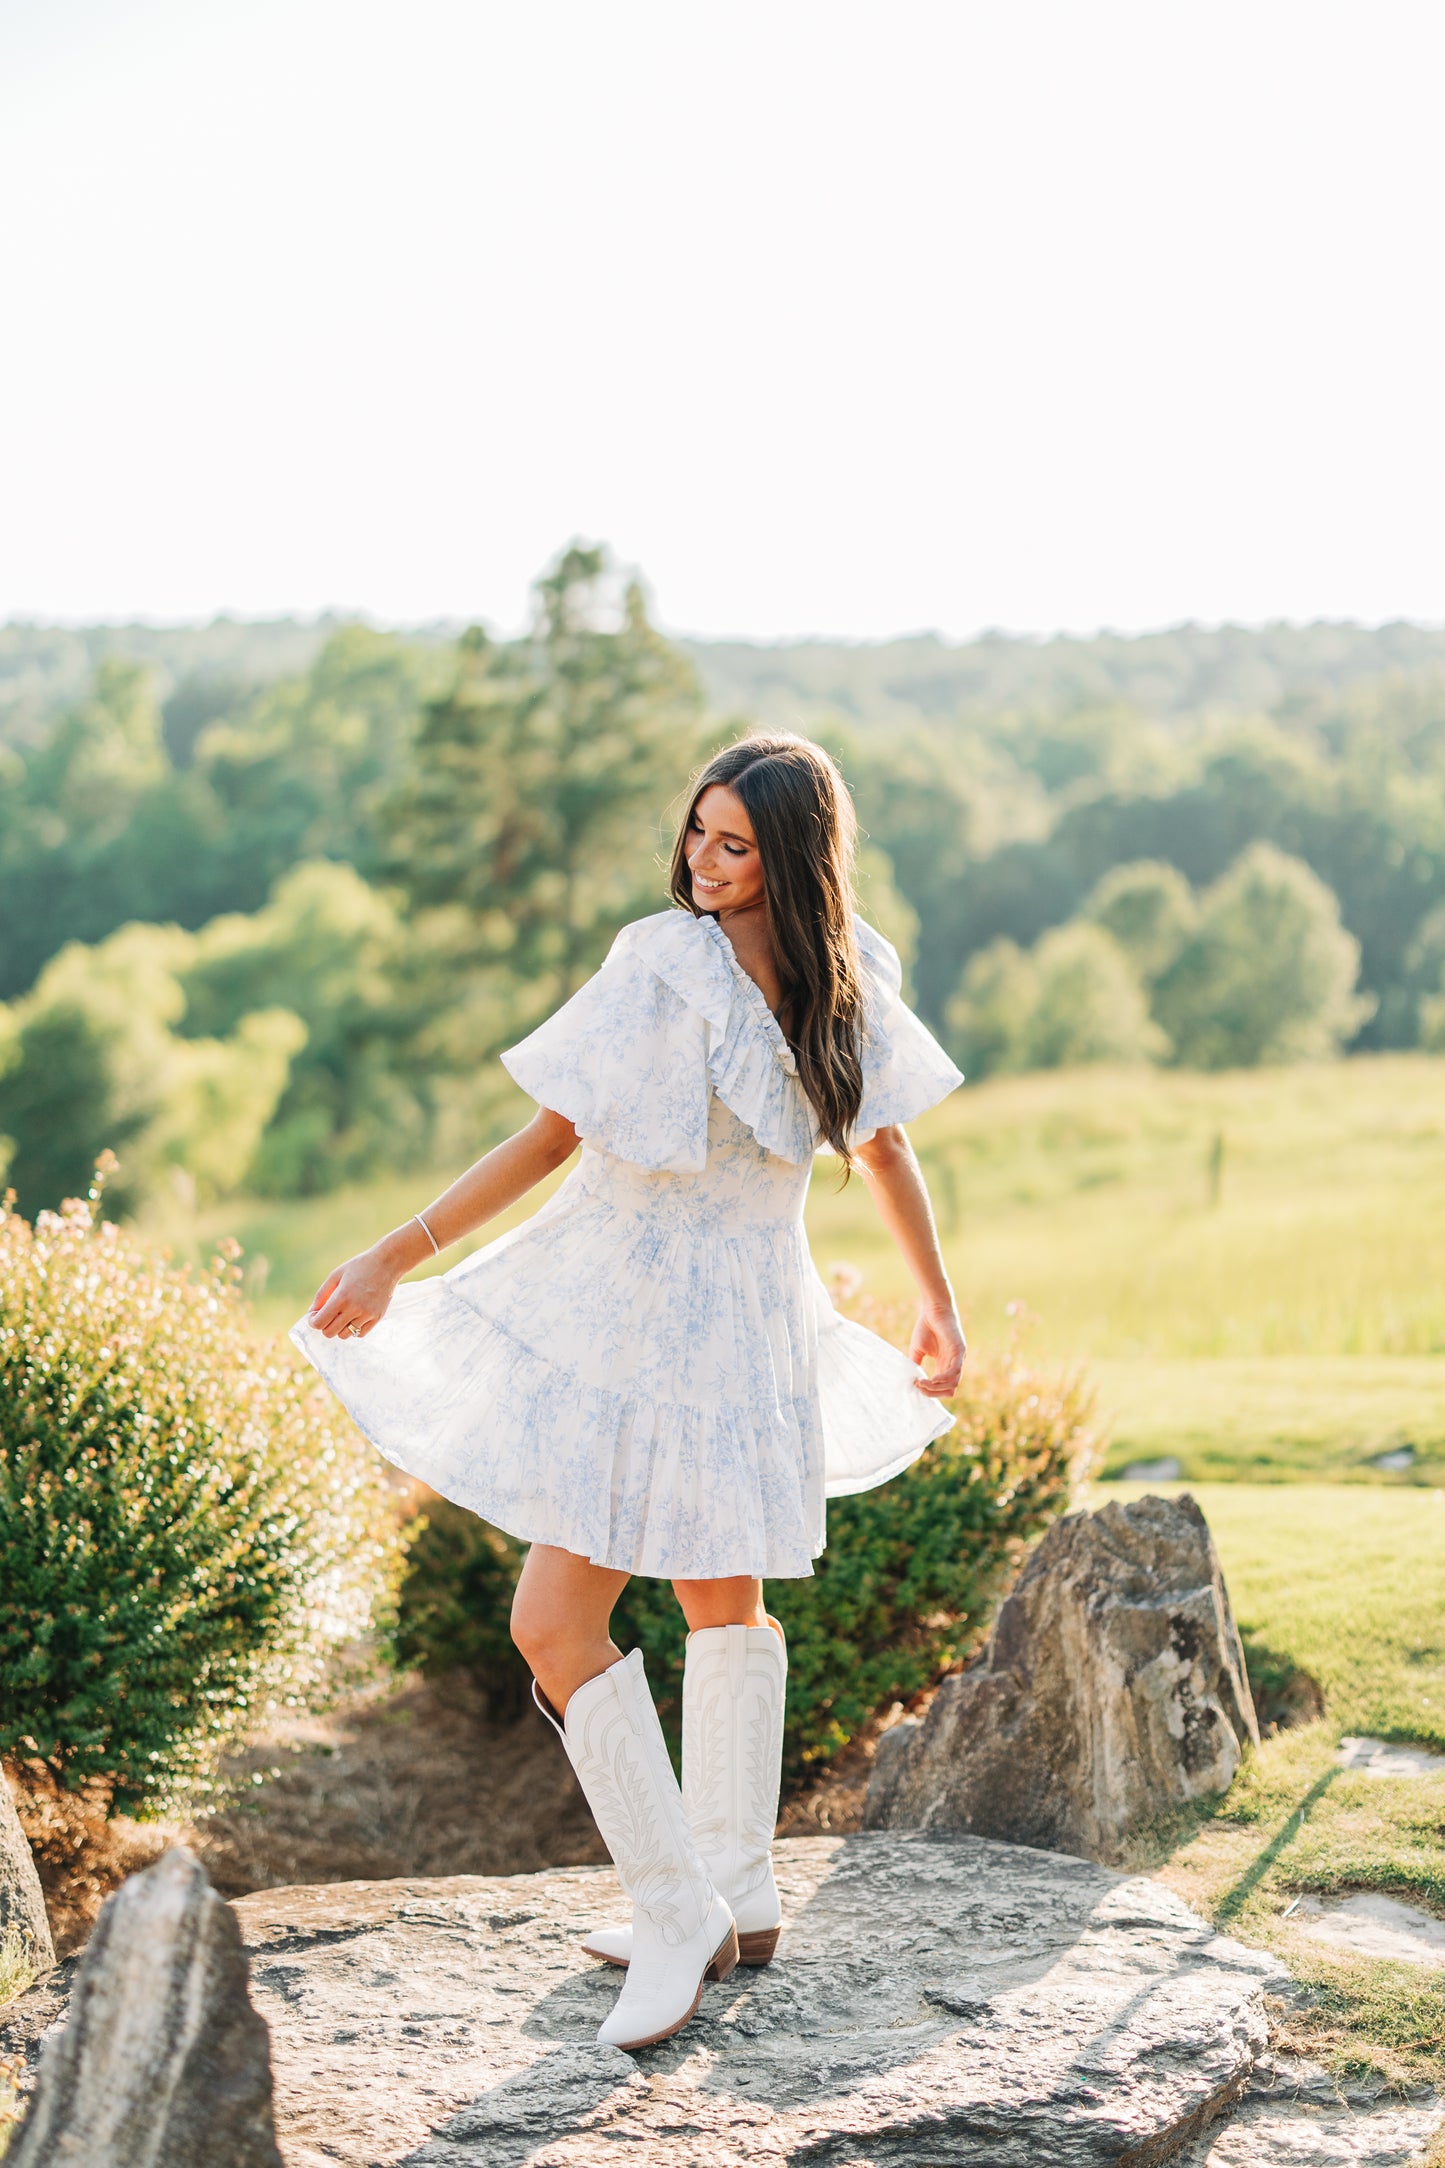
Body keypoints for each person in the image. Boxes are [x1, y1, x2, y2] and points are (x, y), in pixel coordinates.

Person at [294, 733, 967, 2053]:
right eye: (696, 835)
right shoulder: (676, 961)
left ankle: (685, 1908)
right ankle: (733, 1890)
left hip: (693, 1336)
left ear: (793, 860)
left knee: (558, 1624)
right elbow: (553, 1135)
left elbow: (884, 1150)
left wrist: (937, 1301)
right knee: (714, 1597)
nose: (701, 866)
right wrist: (392, 1254)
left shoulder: (840, 977)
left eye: (734, 845)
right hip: (657, 1322)